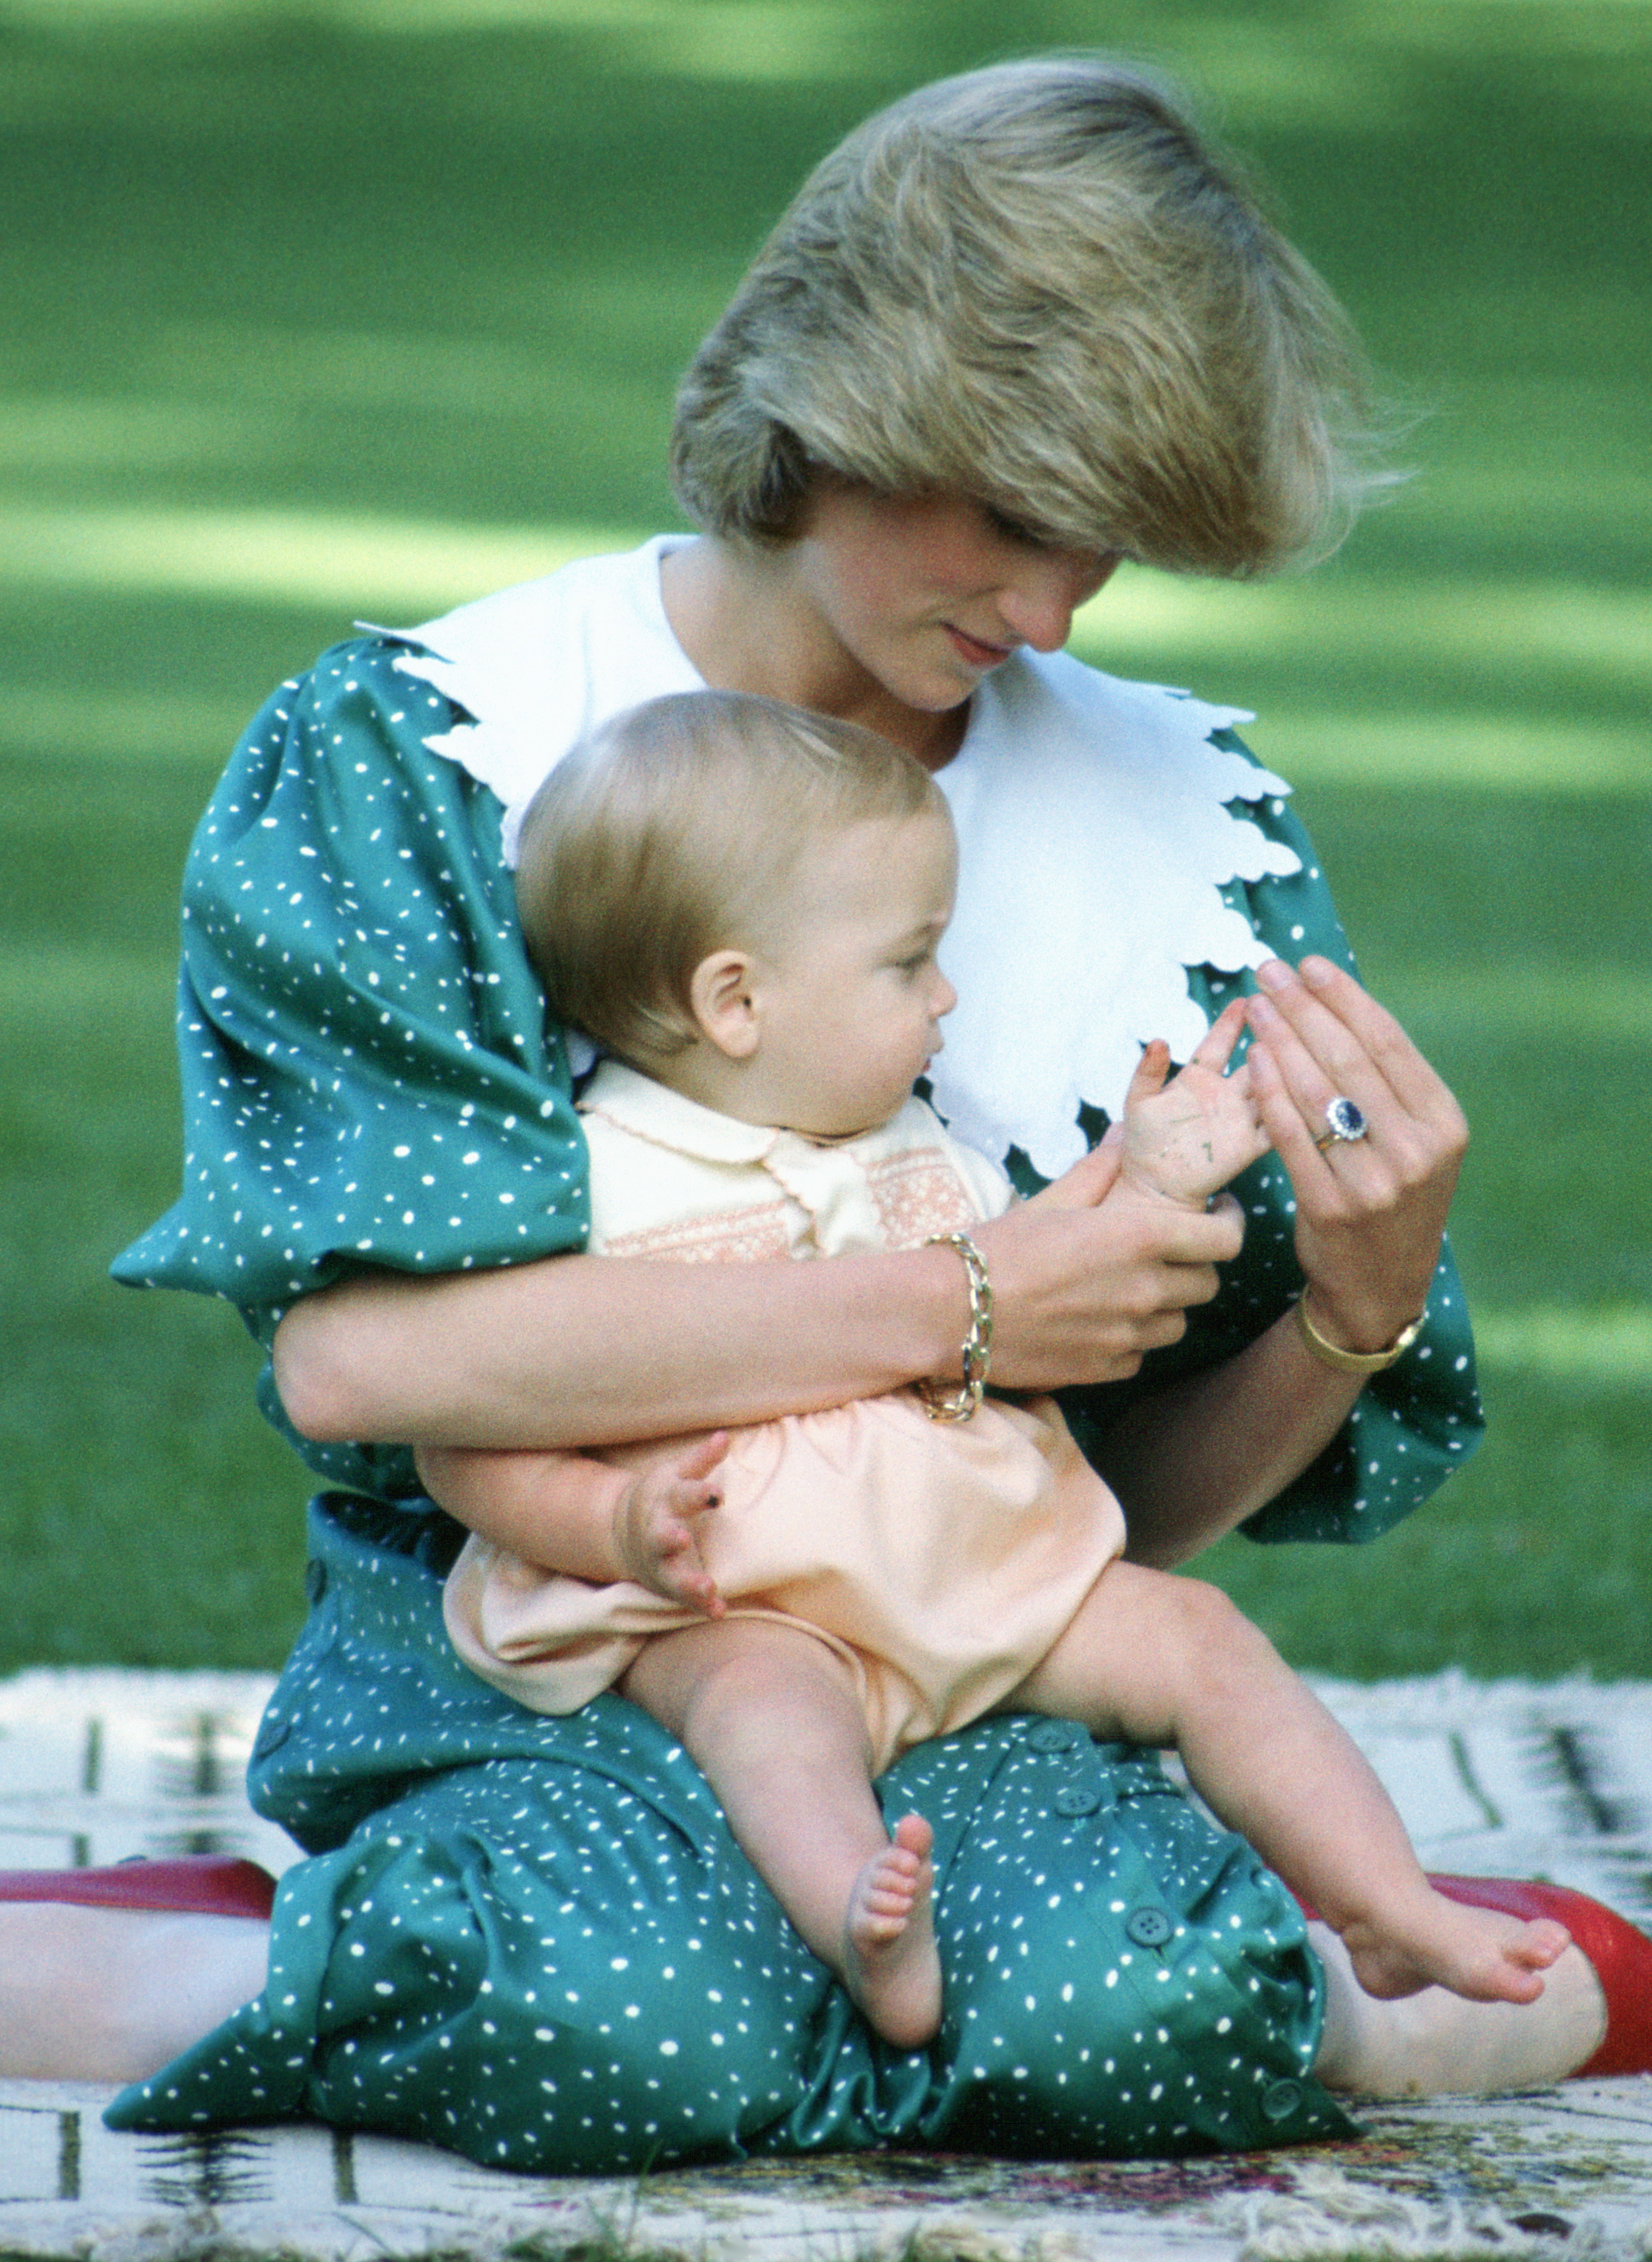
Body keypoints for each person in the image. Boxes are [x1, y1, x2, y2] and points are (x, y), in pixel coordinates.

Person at [1, 53, 1643, 2161]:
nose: (1048, 613)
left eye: (1107, 545)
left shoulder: (1192, 834)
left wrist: (1350, 1304)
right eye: (1012, 516)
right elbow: (362, 1365)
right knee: (627, 2030)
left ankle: (409, 1963)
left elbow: (1100, 1529)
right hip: (556, 1654)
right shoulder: (432, 755)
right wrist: (966, 1299)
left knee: (1144, 2008)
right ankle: (282, 1939)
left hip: (978, 1659)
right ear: (838, 401)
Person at [431, 687, 1571, 2053]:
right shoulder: (598, 1182)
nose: (948, 994)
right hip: (748, 1602)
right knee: (763, 1721)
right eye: (909, 962)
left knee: (1199, 1639)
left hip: (981, 1567)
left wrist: (1151, 1175)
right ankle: (867, 1924)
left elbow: (1035, 1261)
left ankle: (1382, 1900)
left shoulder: (907, 1141)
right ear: (735, 1000)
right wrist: (611, 1523)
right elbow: (467, 1433)